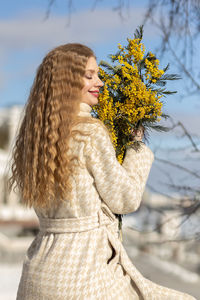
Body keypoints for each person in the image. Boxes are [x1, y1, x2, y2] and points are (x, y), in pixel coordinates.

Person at [10, 43, 196, 299]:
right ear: (67, 81)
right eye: (89, 75)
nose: (99, 82)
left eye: (97, 74)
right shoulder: (89, 132)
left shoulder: (37, 139)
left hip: (40, 273)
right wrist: (136, 149)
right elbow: (125, 198)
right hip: (84, 275)